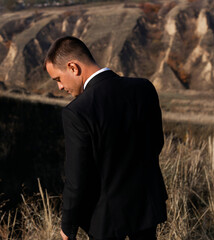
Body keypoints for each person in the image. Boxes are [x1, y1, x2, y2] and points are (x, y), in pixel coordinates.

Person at [43, 36, 168, 240]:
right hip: (145, 204)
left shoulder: (77, 112)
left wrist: (68, 226)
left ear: (73, 67)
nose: (59, 87)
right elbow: (156, 143)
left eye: (58, 79)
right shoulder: (144, 88)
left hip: (106, 217)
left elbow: (77, 178)